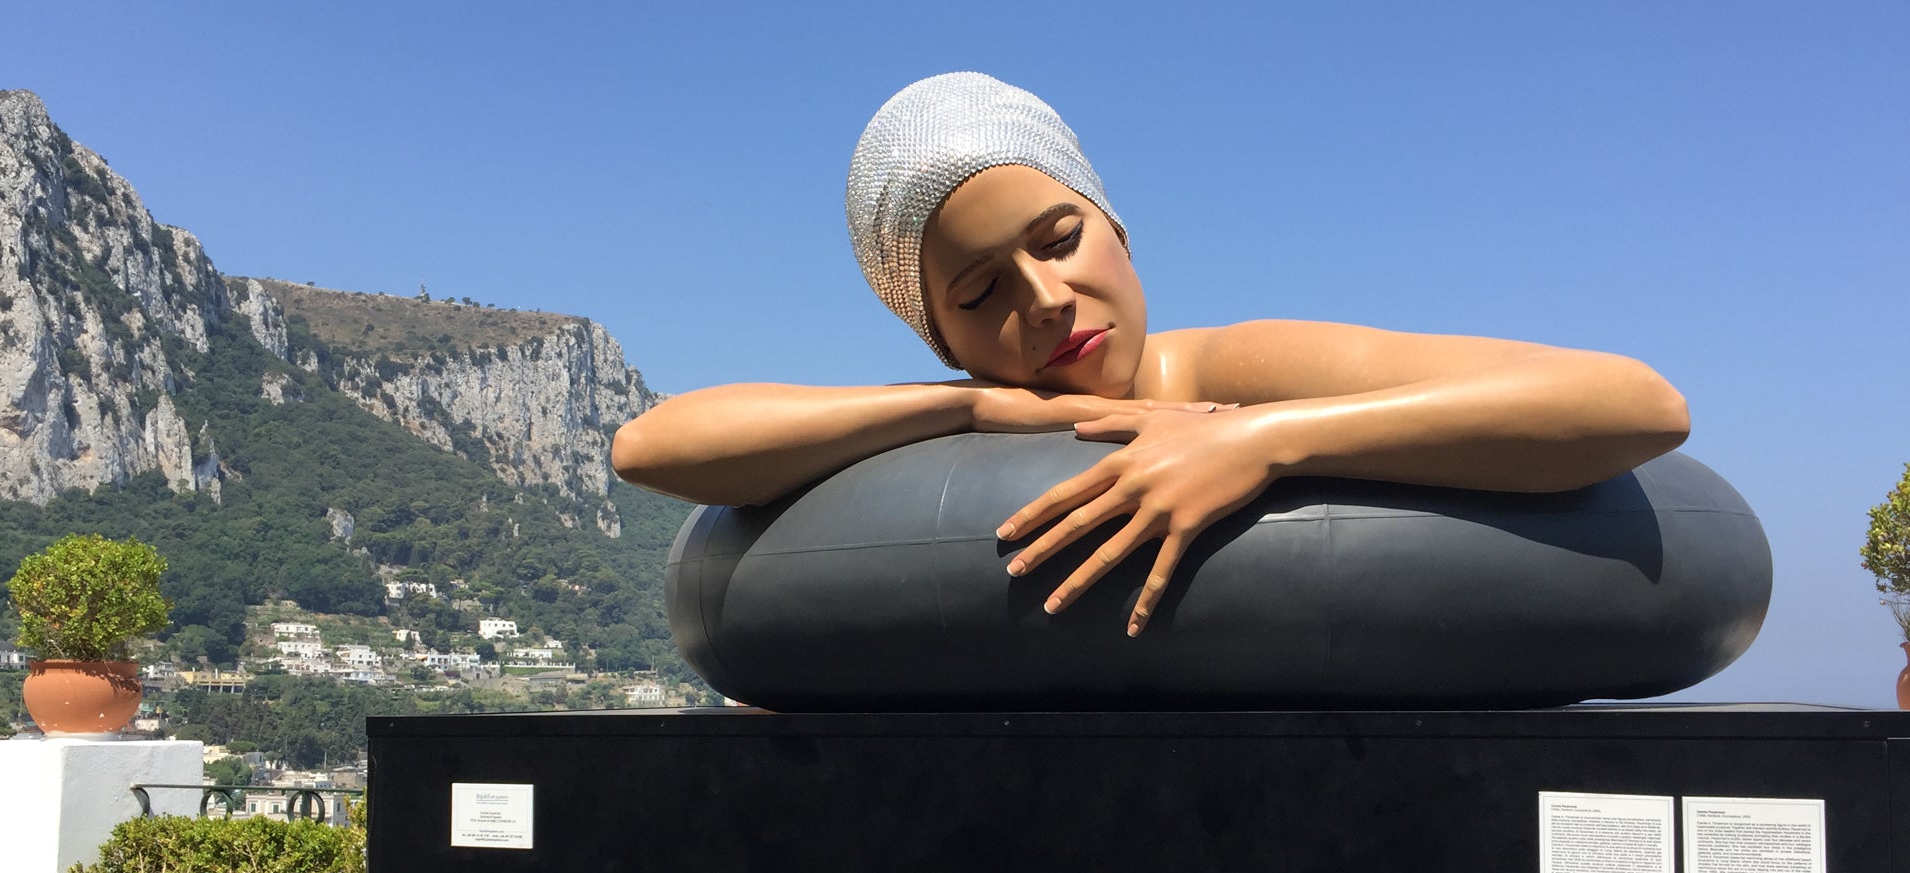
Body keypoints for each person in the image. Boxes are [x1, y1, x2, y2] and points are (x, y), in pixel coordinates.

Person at [612, 72, 1689, 638]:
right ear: (940, 333)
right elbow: (652, 445)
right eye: (981, 292)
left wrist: (1266, 442)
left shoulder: (1233, 365)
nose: (1045, 300)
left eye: (1060, 238)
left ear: (1116, 225)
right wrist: (965, 410)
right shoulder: (970, 401)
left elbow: (1636, 404)